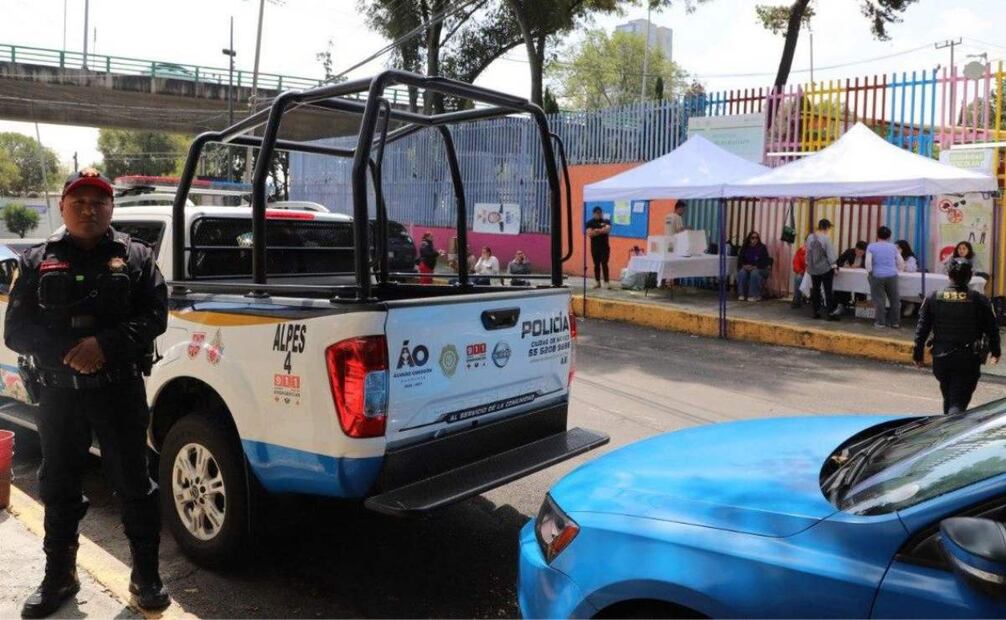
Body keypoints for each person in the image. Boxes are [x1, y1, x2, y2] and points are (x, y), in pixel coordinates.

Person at [4, 169, 170, 617]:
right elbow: (16, 331)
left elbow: (156, 318)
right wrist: (70, 353)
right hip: (59, 397)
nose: (89, 209)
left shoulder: (136, 257)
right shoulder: (38, 259)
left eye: (99, 201)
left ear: (111, 208)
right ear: (62, 206)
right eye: (79, 201)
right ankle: (60, 575)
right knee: (57, 486)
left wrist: (104, 346)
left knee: (136, 484)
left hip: (119, 391)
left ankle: (146, 577)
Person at [913, 257, 1000, 415]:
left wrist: (917, 353)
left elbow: (921, 329)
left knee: (950, 398)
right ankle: (949, 431)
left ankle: (948, 425)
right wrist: (996, 352)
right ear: (970, 276)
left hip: (941, 358)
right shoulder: (979, 300)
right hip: (967, 360)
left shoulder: (934, 297)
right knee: (958, 404)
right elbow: (992, 328)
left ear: (949, 275)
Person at [866, 226, 905, 329]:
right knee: (895, 299)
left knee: (879, 300)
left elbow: (868, 262)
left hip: (877, 275)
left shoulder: (871, 246)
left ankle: (880, 323)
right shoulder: (893, 247)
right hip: (892, 275)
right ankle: (895, 322)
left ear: (877, 235)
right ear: (889, 236)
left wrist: (870, 272)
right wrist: (899, 270)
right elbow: (900, 261)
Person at [805, 219, 839, 321]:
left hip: (813, 268)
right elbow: (830, 254)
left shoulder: (810, 237)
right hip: (825, 268)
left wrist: (809, 265)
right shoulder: (826, 238)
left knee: (816, 290)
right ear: (827, 227)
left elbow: (807, 252)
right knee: (828, 290)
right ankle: (830, 313)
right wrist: (834, 266)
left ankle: (816, 312)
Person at [833, 241, 867, 315]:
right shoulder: (849, 252)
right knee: (843, 286)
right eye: (859, 252)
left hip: (860, 278)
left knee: (861, 289)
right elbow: (838, 262)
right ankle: (843, 304)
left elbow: (869, 265)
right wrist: (845, 265)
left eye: (862, 253)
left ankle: (860, 308)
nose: (861, 254)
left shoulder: (866, 254)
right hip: (848, 277)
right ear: (856, 249)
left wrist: (859, 266)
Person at [736, 231, 770, 302]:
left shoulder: (762, 248)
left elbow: (765, 262)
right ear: (749, 239)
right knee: (742, 272)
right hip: (747, 267)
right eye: (752, 238)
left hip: (760, 268)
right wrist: (744, 266)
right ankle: (742, 294)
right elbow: (740, 261)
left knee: (754, 273)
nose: (755, 240)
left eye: (756, 238)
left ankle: (753, 295)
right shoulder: (745, 247)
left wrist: (755, 267)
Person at [586, 206, 611, 289]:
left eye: (600, 213)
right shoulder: (590, 222)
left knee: (604, 263)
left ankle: (606, 282)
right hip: (595, 247)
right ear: (593, 214)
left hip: (605, 247)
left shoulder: (606, 221)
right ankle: (597, 282)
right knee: (596, 265)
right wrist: (601, 230)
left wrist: (596, 231)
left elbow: (607, 230)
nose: (599, 214)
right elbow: (590, 234)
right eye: (597, 213)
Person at [791, 244, 807, 309]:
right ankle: (797, 300)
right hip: (803, 273)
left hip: (815, 274)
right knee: (798, 277)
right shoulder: (800, 251)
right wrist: (800, 271)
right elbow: (796, 263)